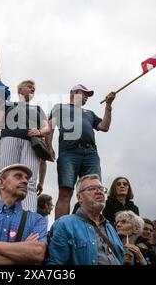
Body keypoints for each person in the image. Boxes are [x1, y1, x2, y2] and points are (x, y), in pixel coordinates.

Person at [46, 85, 116, 219]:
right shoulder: (59, 107)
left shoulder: (89, 113)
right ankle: (60, 229)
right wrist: (48, 146)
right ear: (72, 92)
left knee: (93, 191)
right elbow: (50, 127)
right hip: (69, 153)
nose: (86, 97)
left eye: (88, 95)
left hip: (90, 153)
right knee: (65, 192)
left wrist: (108, 105)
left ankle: (91, 227)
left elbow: (104, 126)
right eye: (83, 93)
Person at [46, 174, 124, 265]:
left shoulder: (110, 227)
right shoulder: (64, 224)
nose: (99, 192)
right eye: (92, 188)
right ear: (79, 197)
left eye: (101, 189)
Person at [0, 80, 49, 212]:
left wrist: (39, 132)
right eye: (29, 87)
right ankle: (4, 215)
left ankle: (27, 218)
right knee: (6, 178)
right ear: (20, 90)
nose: (33, 89)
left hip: (30, 142)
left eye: (34, 88)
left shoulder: (38, 109)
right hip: (9, 138)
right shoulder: (8, 105)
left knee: (29, 182)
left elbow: (47, 127)